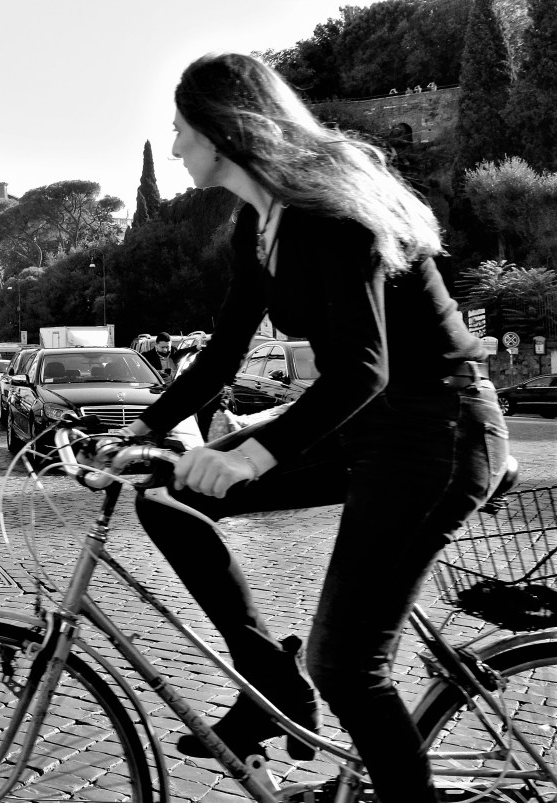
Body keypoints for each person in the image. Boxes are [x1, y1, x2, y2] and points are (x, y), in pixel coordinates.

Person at [122, 53, 507, 803]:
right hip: (367, 425)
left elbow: (364, 368)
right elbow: (224, 352)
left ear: (220, 131)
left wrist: (253, 455)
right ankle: (269, 677)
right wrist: (141, 426)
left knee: (346, 666)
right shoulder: (256, 224)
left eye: (180, 130)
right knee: (167, 498)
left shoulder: (324, 210)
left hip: (437, 429)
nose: (173, 148)